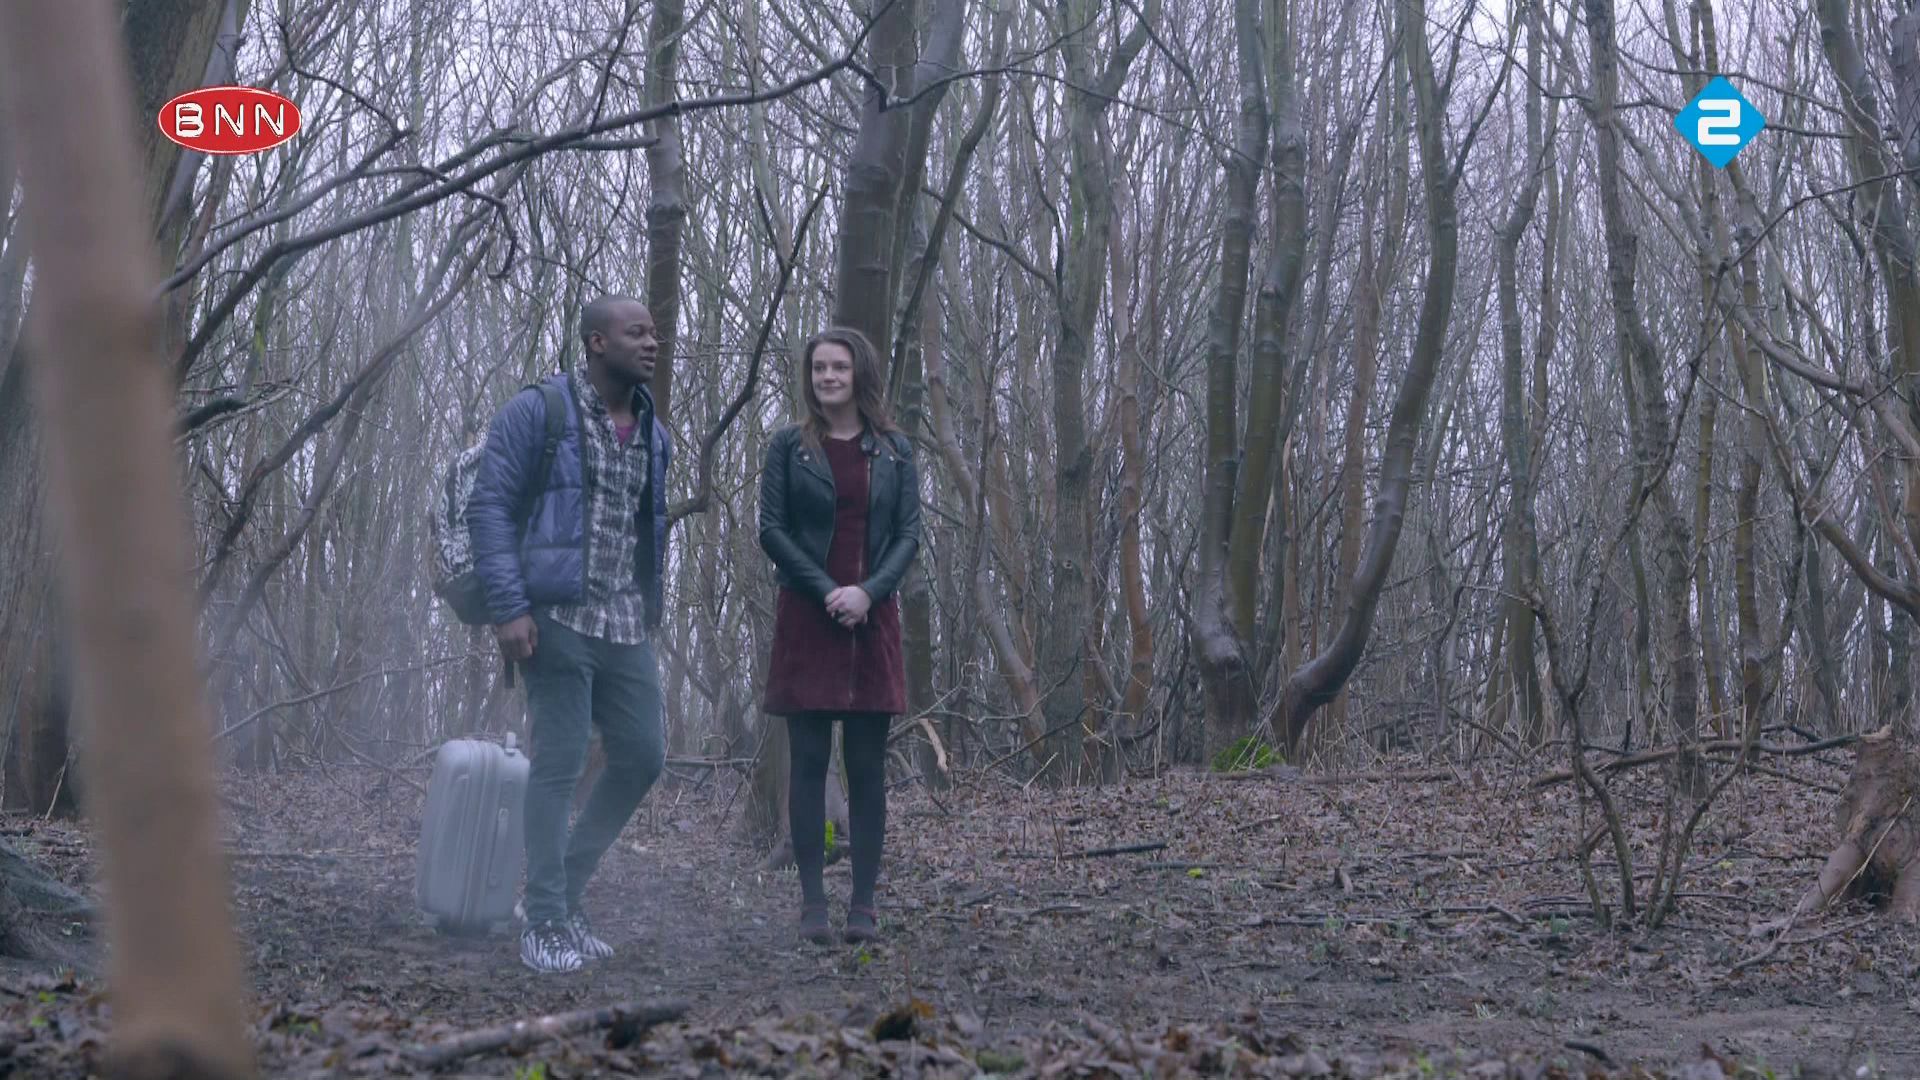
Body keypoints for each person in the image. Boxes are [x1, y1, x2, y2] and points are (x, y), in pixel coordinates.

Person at [468, 295, 673, 973]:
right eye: (636, 333)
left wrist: (651, 604)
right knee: (558, 764)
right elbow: (490, 507)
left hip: (624, 621)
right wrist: (508, 607)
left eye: (653, 333)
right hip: (554, 617)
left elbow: (647, 527)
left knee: (642, 755)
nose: (651, 342)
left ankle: (565, 892)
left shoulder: (654, 431)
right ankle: (545, 923)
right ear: (595, 342)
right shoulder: (540, 412)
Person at [757, 326, 922, 945]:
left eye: (839, 368)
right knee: (807, 763)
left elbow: (908, 534)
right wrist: (828, 590)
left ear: (860, 375)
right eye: (819, 368)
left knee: (866, 767)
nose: (827, 377)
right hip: (807, 619)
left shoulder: (896, 450)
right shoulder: (788, 447)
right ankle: (812, 905)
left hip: (872, 624)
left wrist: (868, 592)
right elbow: (772, 529)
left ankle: (864, 906)